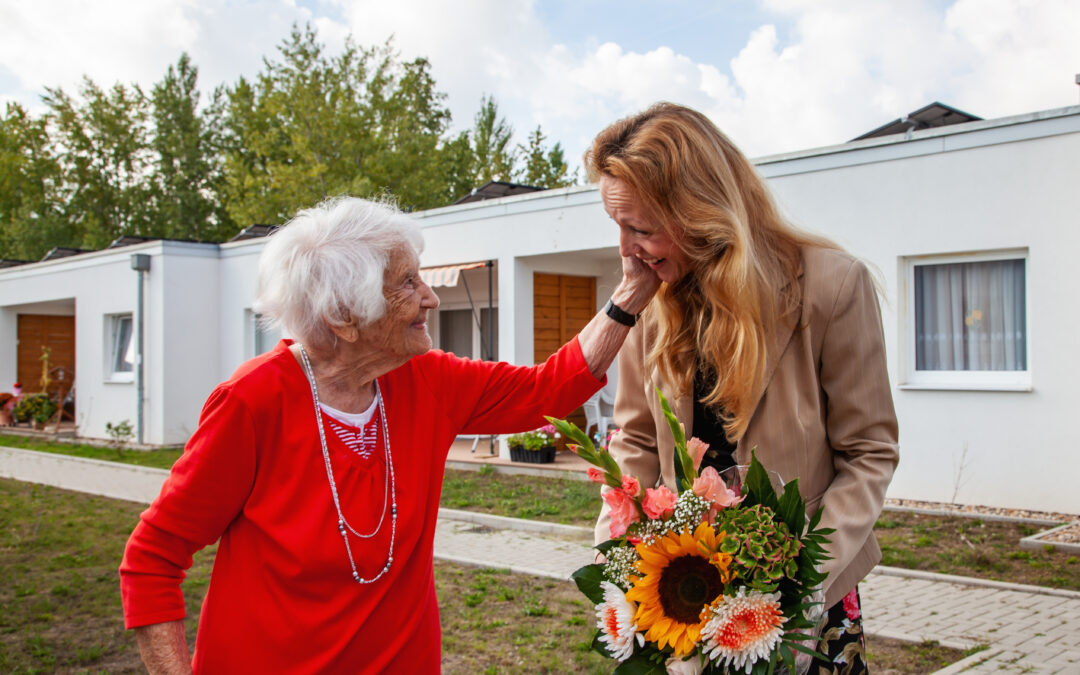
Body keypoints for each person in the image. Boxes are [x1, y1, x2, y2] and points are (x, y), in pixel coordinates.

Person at [119, 196, 660, 674]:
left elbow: (548, 388)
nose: (430, 297)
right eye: (407, 283)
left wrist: (632, 292)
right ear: (343, 316)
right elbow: (152, 558)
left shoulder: (426, 380)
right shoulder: (253, 402)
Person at [589, 103, 899, 672]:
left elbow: (869, 452)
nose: (625, 250)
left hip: (811, 602)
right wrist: (621, 557)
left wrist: (806, 583)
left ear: (700, 210)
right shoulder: (650, 296)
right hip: (683, 599)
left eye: (640, 228)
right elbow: (633, 439)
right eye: (617, 226)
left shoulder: (831, 285)